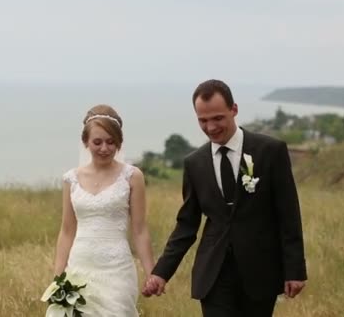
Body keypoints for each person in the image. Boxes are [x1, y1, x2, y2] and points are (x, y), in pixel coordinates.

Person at [143, 80, 307, 316]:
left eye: (217, 118)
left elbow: (288, 214)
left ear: (234, 110)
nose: (210, 127)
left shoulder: (270, 151)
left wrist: (295, 270)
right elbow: (187, 225)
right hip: (213, 275)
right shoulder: (194, 164)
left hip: (260, 273)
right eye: (203, 120)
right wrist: (161, 272)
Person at [52, 104, 155, 316]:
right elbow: (67, 230)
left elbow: (140, 230)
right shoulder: (71, 179)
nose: (105, 148)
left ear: (119, 143)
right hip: (80, 267)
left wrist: (151, 273)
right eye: (97, 142)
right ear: (85, 143)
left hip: (117, 271)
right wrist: (58, 278)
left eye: (111, 142)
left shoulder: (132, 176)